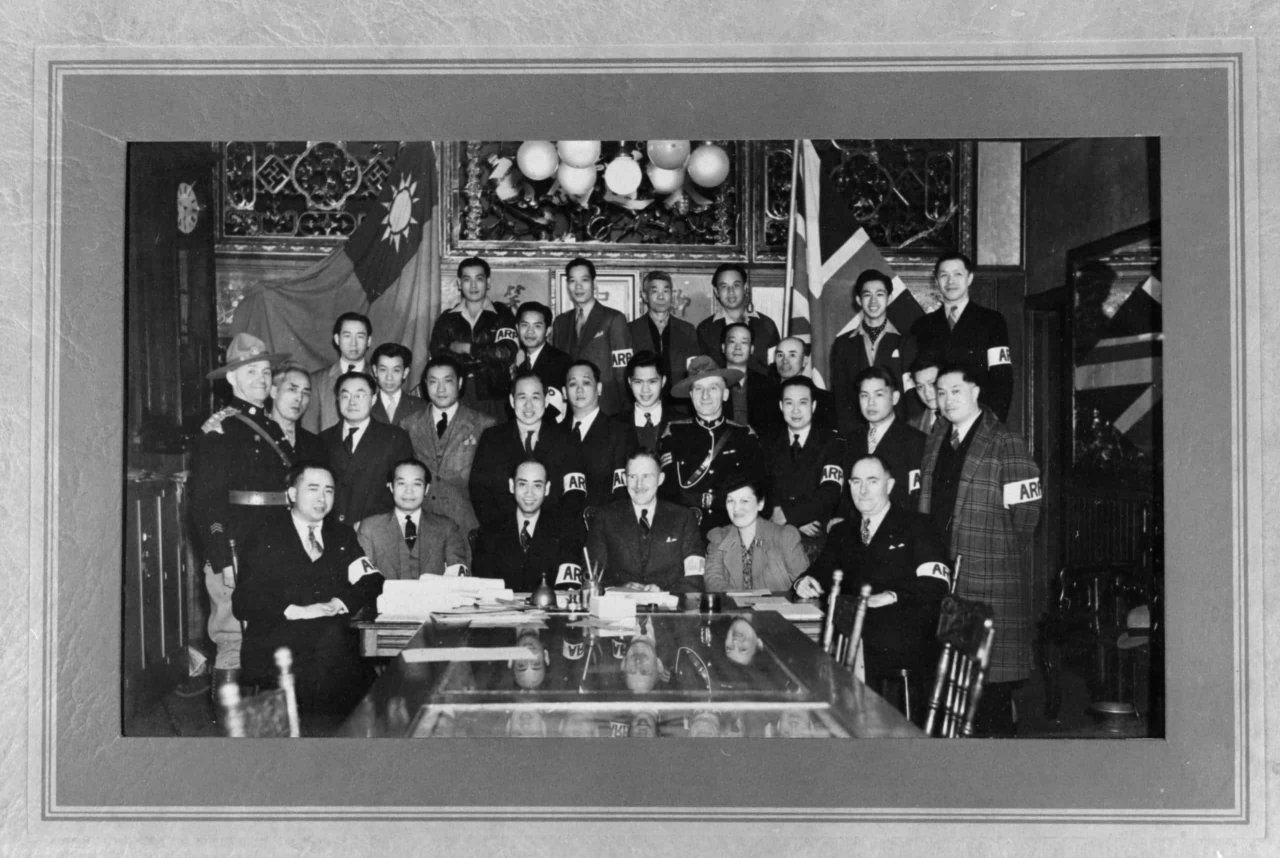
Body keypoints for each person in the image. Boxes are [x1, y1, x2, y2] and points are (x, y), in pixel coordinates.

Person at [918, 363, 1042, 735]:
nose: (947, 399)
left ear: (976, 392)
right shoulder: (938, 437)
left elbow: (1027, 518)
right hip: (945, 581)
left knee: (991, 692)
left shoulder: (1007, 442)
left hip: (991, 579)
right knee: (952, 687)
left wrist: (993, 553)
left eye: (956, 390)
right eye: (940, 392)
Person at [798, 455, 952, 720]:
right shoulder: (842, 532)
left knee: (834, 652)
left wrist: (892, 596)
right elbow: (821, 571)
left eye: (872, 481)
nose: (863, 490)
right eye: (856, 482)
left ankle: (854, 722)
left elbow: (937, 583)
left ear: (889, 485)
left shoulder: (918, 526)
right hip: (853, 634)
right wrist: (804, 581)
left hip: (902, 633)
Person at [231, 463, 384, 718]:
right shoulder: (264, 533)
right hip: (277, 639)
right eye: (313, 489)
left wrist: (340, 603)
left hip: (333, 640)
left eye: (329, 490)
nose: (322, 498)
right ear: (291, 494)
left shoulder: (342, 535)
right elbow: (245, 599)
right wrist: (297, 611)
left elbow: (372, 580)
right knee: (338, 658)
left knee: (335, 645)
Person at [188, 333, 292, 685]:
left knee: (272, 636)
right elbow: (206, 501)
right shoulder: (220, 430)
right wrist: (221, 556)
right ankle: (230, 735)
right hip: (238, 548)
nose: (261, 380)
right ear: (232, 378)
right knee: (232, 639)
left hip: (275, 547)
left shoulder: (273, 427)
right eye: (251, 373)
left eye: (265, 372)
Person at [659, 355, 766, 536]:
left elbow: (757, 487)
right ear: (691, 395)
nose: (705, 395)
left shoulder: (744, 435)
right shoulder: (674, 433)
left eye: (713, 388)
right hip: (684, 529)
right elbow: (667, 489)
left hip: (731, 528)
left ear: (725, 394)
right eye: (698, 389)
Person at [909, 251, 1014, 422]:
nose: (951, 281)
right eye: (944, 275)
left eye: (958, 274)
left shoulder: (991, 320)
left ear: (970, 278)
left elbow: (1002, 376)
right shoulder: (922, 325)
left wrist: (993, 421)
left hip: (978, 417)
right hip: (938, 420)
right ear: (936, 281)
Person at [400, 355, 496, 535]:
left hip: (468, 528)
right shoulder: (408, 425)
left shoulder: (484, 425)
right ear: (425, 385)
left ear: (459, 383)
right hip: (422, 528)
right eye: (433, 382)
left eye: (448, 381)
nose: (441, 389)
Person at [585, 450, 705, 593]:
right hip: (617, 609)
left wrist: (662, 593)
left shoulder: (684, 518)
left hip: (669, 609)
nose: (639, 485)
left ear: (660, 479)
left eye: (646, 476)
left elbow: (694, 579)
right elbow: (592, 575)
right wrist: (618, 590)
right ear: (624, 479)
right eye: (633, 476)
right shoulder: (605, 517)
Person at [469, 370, 574, 532]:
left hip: (554, 535)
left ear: (546, 401)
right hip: (503, 535)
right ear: (512, 401)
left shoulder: (565, 439)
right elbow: (480, 491)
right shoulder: (492, 438)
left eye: (535, 397)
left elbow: (572, 496)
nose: (528, 405)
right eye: (522, 397)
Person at [428, 256, 520, 421]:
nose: (473, 286)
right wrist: (484, 356)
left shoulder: (502, 314)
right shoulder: (447, 319)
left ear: (488, 282)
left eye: (479, 279)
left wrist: (467, 348)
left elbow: (506, 353)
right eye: (467, 279)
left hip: (495, 397)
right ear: (458, 283)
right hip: (458, 396)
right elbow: (439, 356)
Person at [472, 459, 585, 592]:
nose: (529, 493)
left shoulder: (566, 531)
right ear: (511, 486)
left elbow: (567, 591)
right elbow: (484, 587)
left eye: (537, 485)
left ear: (547, 489)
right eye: (522, 484)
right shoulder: (489, 531)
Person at [319, 371, 414, 528]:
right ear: (337, 400)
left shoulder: (395, 438)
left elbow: (401, 493)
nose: (352, 402)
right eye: (345, 396)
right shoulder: (322, 440)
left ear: (373, 399)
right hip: (330, 533)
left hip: (376, 534)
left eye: (359, 395)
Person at [765, 376, 846, 558]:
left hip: (815, 536)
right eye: (789, 403)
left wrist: (791, 516)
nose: (795, 410)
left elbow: (830, 491)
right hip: (775, 533)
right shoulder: (768, 443)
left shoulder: (831, 443)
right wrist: (791, 521)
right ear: (780, 406)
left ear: (813, 406)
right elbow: (764, 488)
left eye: (803, 402)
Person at [829, 269, 916, 437]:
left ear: (889, 298)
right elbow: (840, 397)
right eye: (867, 295)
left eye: (880, 294)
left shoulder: (906, 341)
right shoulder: (843, 344)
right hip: (855, 433)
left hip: (896, 433)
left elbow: (910, 398)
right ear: (858, 300)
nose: (873, 301)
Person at [357, 458, 470, 579]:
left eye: (417, 484)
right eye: (401, 483)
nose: (409, 491)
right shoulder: (370, 528)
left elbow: (459, 576)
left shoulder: (447, 528)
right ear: (391, 487)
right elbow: (362, 579)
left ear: (426, 489)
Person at [550, 257, 633, 415]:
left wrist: (625, 411)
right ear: (567, 285)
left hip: (607, 407)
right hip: (571, 411)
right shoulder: (560, 322)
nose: (578, 286)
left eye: (584, 280)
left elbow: (623, 371)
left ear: (594, 283)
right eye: (572, 280)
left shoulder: (613, 319)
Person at [838, 366, 926, 514]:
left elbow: (915, 500)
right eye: (864, 395)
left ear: (895, 397)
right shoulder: (850, 440)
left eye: (879, 395)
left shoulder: (915, 441)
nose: (870, 403)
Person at [704, 477, 809, 592]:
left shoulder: (785, 535)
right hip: (734, 607)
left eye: (744, 501)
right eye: (730, 501)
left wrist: (802, 586)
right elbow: (713, 581)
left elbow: (803, 580)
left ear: (760, 504)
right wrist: (742, 600)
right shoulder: (719, 537)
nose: (736, 508)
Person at [563, 360, 637, 515]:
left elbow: (622, 493)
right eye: (572, 384)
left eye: (586, 382)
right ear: (564, 392)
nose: (579, 389)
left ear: (599, 388)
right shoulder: (555, 433)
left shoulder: (619, 431)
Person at [695, 262, 780, 372]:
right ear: (716, 292)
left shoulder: (766, 324)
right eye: (724, 286)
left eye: (736, 285)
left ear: (745, 288)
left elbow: (775, 366)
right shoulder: (705, 329)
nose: (731, 292)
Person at [628, 269, 698, 399]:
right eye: (654, 291)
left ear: (672, 294)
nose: (661, 296)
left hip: (680, 403)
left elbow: (695, 372)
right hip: (643, 400)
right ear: (644, 296)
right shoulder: (631, 330)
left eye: (666, 291)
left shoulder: (687, 330)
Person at [302, 311, 372, 433]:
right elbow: (309, 431)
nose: (353, 343)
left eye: (360, 336)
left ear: (369, 341)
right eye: (347, 336)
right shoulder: (317, 381)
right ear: (337, 339)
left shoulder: (378, 378)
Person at [722, 322, 783, 444]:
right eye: (732, 341)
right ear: (723, 347)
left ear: (752, 349)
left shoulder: (768, 385)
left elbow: (774, 428)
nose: (738, 347)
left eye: (744, 342)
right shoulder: (711, 383)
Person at [513, 300, 571, 418]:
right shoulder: (522, 365)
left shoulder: (561, 362)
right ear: (517, 328)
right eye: (525, 325)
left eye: (537, 326)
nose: (530, 331)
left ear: (548, 331)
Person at [771, 336, 834, 431]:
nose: (784, 360)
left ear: (805, 361)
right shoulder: (763, 397)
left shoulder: (825, 400)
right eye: (780, 355)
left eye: (792, 355)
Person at [615, 351, 674, 451]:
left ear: (663, 381)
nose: (645, 389)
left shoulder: (680, 421)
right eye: (638, 382)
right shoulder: (615, 425)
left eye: (652, 382)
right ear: (630, 382)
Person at [369, 342, 428, 427]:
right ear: (375, 371)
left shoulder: (420, 407)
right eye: (383, 370)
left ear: (405, 372)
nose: (389, 377)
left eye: (396, 370)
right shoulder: (367, 405)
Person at [908, 353, 943, 436]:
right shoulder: (912, 425)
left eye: (932, 383)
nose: (927, 392)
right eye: (920, 387)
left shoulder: (962, 417)